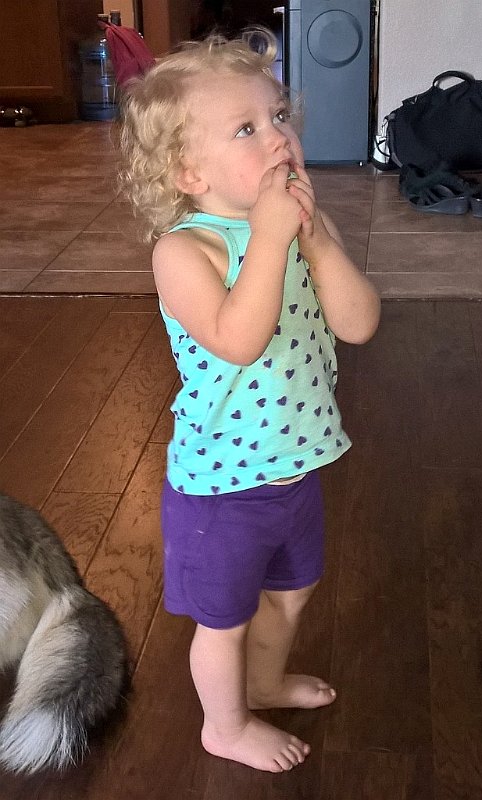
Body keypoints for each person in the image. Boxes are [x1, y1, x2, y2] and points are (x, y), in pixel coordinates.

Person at [119, 28, 380, 773]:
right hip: (220, 487)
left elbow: (359, 324)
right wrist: (270, 237)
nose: (277, 137)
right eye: (246, 128)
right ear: (188, 172)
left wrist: (317, 242)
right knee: (224, 619)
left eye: (279, 116)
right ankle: (224, 726)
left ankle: (263, 684)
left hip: (295, 468)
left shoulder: (303, 229)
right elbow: (238, 339)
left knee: (293, 593)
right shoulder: (185, 251)